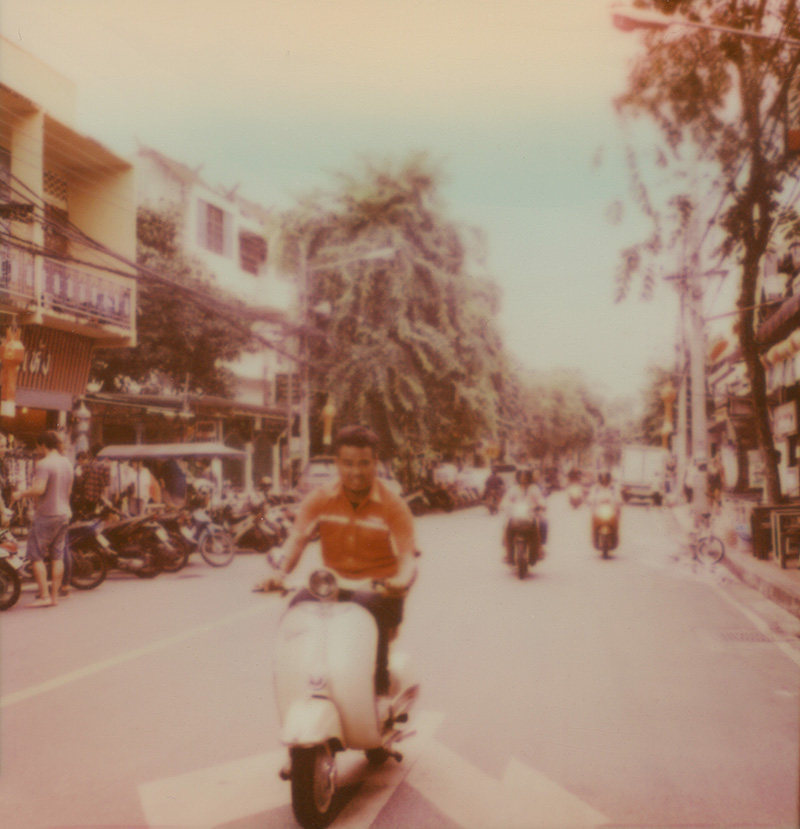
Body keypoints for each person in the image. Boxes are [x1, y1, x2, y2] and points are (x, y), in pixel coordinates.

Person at [256, 425, 418, 695]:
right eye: (348, 463)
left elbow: (407, 557)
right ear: (337, 464)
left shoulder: (393, 505)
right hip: (334, 588)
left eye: (364, 463)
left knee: (364, 607)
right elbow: (296, 540)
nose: (356, 471)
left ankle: (378, 690)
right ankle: (299, 682)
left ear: (375, 463)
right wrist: (280, 573)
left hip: (381, 592)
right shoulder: (320, 499)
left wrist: (399, 581)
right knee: (297, 607)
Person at [12, 430, 74, 607]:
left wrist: (20, 494)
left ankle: (45, 595)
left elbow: (39, 490)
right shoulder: (67, 463)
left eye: (38, 447)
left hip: (47, 515)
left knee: (36, 555)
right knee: (57, 556)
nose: (38, 450)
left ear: (43, 445)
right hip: (64, 513)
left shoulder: (44, 464)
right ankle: (54, 596)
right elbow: (69, 490)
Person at [499, 467, 548, 563]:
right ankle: (508, 553)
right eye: (521, 477)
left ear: (529, 478)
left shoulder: (534, 488)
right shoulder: (514, 488)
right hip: (516, 514)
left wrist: (541, 505)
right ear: (518, 478)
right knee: (506, 526)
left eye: (525, 477)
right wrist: (504, 505)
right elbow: (506, 499)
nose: (523, 479)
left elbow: (540, 498)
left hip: (531, 514)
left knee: (543, 522)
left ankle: (540, 549)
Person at [588, 470, 621, 546]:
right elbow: (591, 497)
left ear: (609, 479)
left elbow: (618, 498)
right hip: (598, 510)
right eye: (603, 479)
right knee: (593, 519)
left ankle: (615, 536)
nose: (605, 481)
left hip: (611, 510)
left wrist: (619, 502)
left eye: (606, 479)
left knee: (617, 518)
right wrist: (590, 501)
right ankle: (594, 537)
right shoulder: (596, 488)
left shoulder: (613, 489)